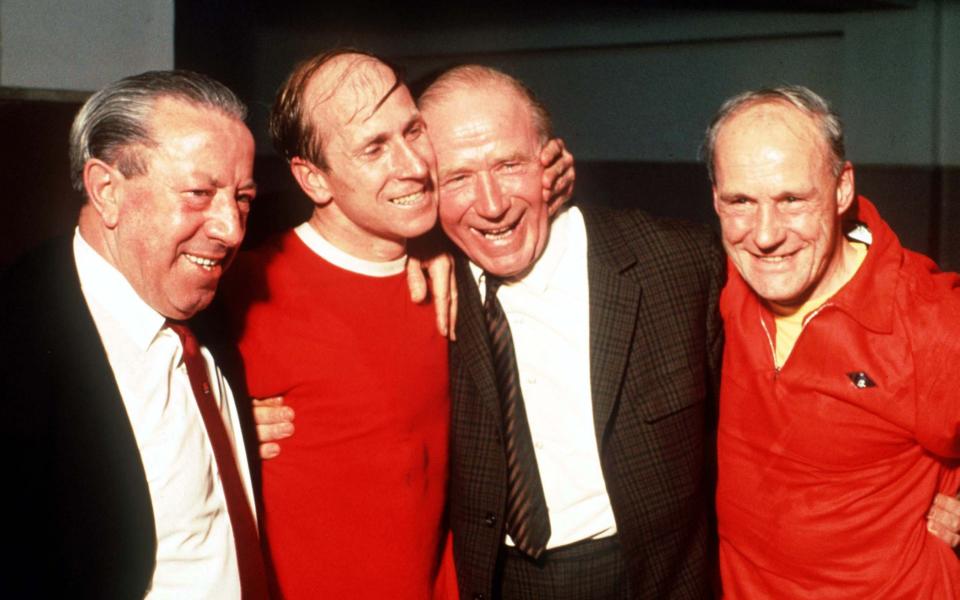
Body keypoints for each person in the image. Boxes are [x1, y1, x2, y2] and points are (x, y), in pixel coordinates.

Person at [221, 50, 571, 599]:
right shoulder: (239, 292)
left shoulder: (456, 268)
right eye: (374, 148)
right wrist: (223, 421)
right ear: (313, 179)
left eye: (413, 131)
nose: (412, 165)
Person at [418, 65, 725, 599]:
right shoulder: (423, 291)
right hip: (498, 582)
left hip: (655, 580)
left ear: (550, 162)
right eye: (457, 177)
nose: (490, 204)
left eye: (509, 165)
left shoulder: (683, 264)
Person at [1, 70, 267, 598]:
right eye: (199, 192)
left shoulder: (205, 302)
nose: (232, 230)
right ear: (107, 190)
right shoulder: (18, 338)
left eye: (243, 198)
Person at [705, 85, 960, 597]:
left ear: (843, 188)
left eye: (792, 200)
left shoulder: (928, 321)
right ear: (715, 197)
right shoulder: (725, 284)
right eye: (740, 202)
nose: (765, 234)